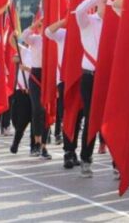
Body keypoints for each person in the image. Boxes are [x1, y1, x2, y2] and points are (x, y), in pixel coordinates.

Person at [73, 0, 107, 178]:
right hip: (90, 76)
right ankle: (86, 158)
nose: (106, 1)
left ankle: (119, 163)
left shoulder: (114, 23)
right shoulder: (88, 22)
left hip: (107, 76)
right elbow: (78, 11)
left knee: (111, 117)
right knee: (91, 118)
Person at [45, 18, 81, 169]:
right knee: (67, 117)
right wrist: (63, 22)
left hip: (79, 79)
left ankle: (73, 150)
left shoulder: (82, 33)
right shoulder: (63, 34)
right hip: (64, 80)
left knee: (78, 118)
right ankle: (68, 152)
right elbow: (47, 32)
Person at [21, 17, 52, 160]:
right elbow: (23, 36)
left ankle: (44, 145)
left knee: (47, 111)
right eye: (41, 25)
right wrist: (34, 24)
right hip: (35, 76)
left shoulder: (52, 39)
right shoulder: (35, 39)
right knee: (37, 109)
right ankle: (37, 143)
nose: (42, 26)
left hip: (49, 75)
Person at [10, 40, 35, 155]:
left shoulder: (41, 54)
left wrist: (28, 69)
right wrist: (13, 34)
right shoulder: (26, 52)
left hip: (33, 90)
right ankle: (17, 141)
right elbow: (14, 54)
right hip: (20, 90)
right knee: (16, 118)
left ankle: (32, 146)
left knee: (31, 120)